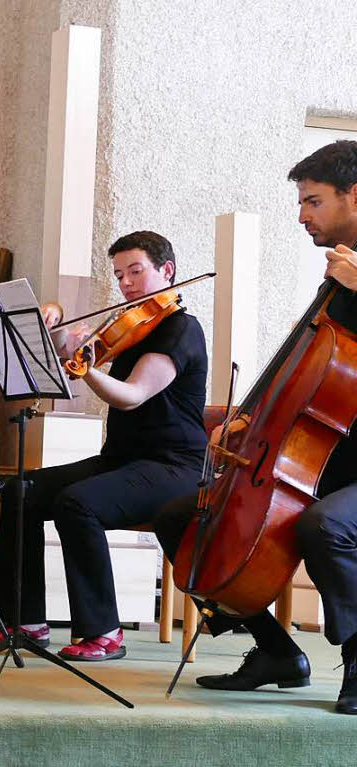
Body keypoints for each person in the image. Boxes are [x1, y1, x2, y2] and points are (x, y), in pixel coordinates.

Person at [154, 140, 357, 714]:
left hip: (348, 474)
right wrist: (248, 419)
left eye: (314, 201)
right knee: (185, 520)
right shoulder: (338, 270)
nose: (302, 216)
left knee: (327, 527)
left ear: (355, 195)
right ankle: (274, 651)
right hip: (317, 457)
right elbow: (305, 365)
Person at [0, 231, 208, 661]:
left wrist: (83, 369)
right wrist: (56, 325)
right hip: (122, 460)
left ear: (167, 271)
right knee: (20, 491)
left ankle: (103, 631)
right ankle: (24, 622)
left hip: (173, 468)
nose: (126, 284)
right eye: (119, 275)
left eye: (136, 272)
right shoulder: (132, 330)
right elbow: (74, 350)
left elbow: (132, 394)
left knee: (77, 503)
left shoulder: (181, 330)